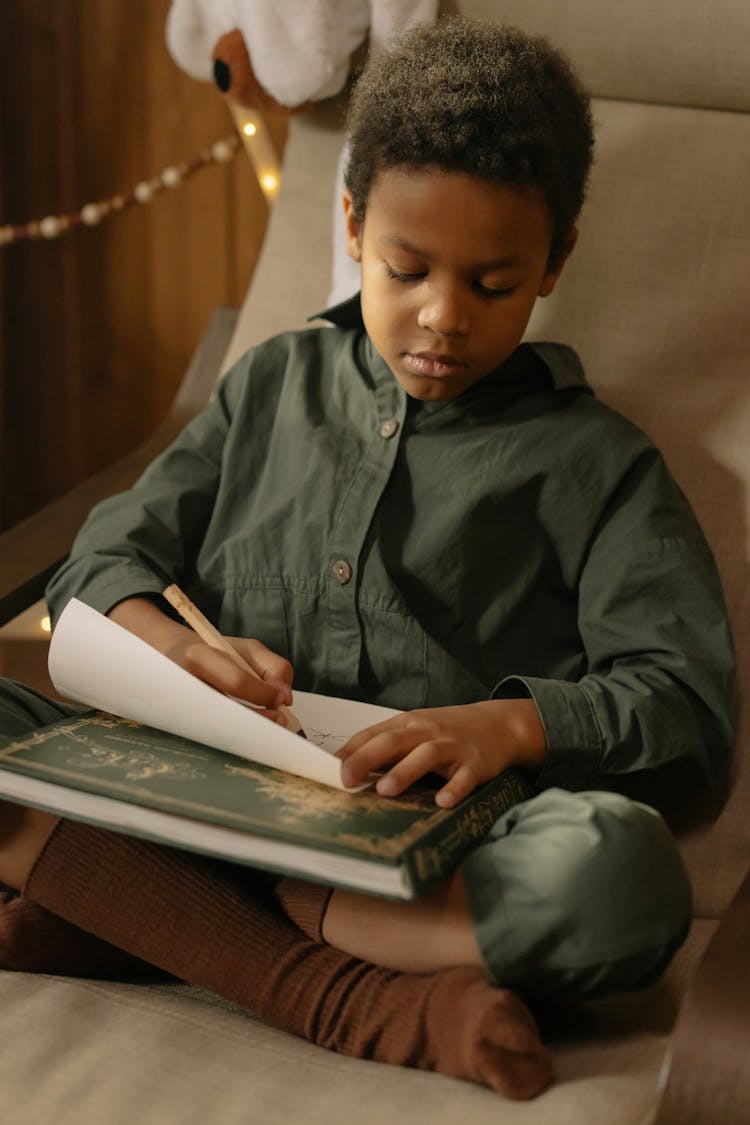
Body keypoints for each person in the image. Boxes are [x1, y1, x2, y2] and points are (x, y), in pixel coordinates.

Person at [0, 18, 735, 1101]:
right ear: (350, 224)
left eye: (493, 285)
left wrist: (508, 724)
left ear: (555, 259)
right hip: (204, 778)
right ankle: (347, 996)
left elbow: (685, 706)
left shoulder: (601, 465)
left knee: (619, 877)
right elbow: (107, 553)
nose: (443, 319)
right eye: (406, 268)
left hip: (427, 842)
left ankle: (145, 913)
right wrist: (172, 650)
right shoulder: (269, 386)